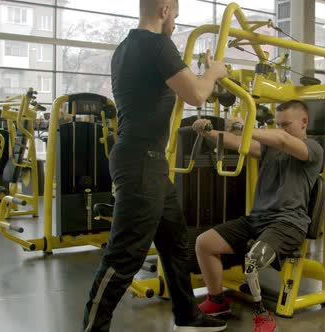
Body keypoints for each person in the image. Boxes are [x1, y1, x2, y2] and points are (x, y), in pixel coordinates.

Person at [82, 0, 229, 331]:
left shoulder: (126, 48)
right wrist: (214, 72)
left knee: (175, 241)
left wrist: (203, 73)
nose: (175, 24)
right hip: (142, 163)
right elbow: (196, 96)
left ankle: (187, 314)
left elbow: (172, 85)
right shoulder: (158, 45)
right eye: (175, 16)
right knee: (124, 255)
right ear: (164, 10)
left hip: (148, 161)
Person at [192, 100, 324, 332]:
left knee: (253, 259)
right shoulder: (269, 148)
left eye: (287, 124)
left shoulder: (312, 148)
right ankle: (217, 301)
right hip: (256, 219)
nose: (281, 129)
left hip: (288, 223)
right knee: (205, 243)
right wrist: (208, 131)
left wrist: (244, 126)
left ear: (304, 122)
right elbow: (235, 142)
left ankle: (263, 315)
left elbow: (282, 140)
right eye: (278, 123)